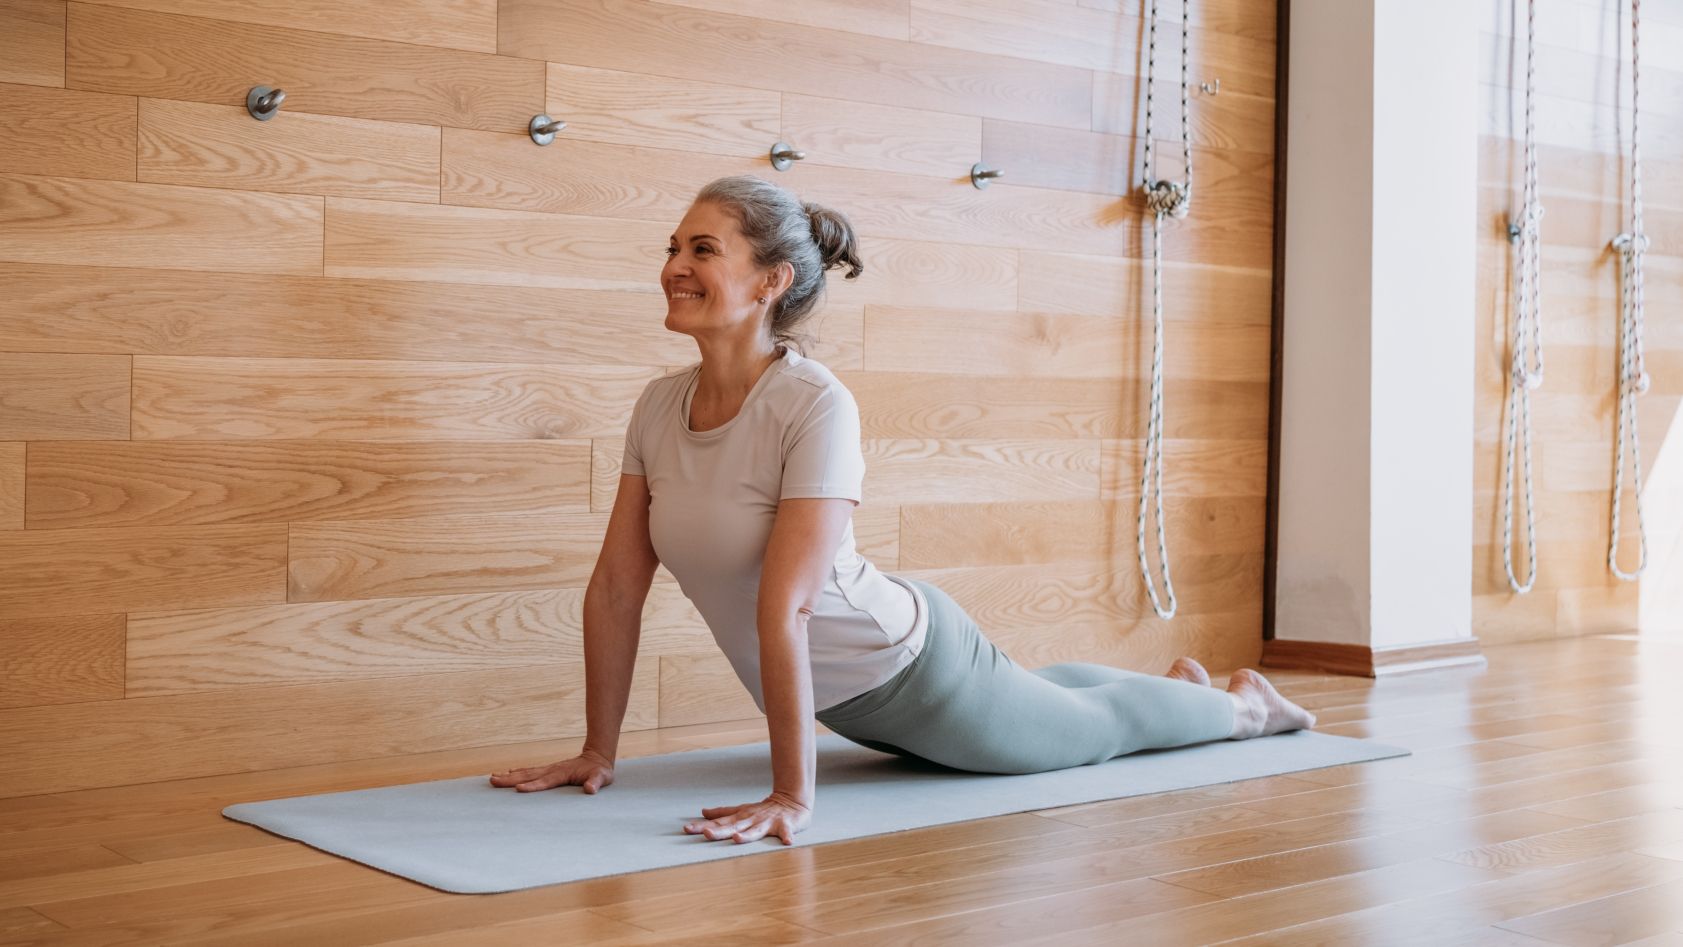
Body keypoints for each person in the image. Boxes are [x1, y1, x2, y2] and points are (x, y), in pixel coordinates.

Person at [489, 175, 1316, 846]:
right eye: (672, 247)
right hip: (854, 684)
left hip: (914, 675)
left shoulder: (814, 403)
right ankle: (1177, 691)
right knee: (1045, 698)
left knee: (1088, 730)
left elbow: (791, 604)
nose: (674, 264)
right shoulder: (658, 406)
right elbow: (614, 590)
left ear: (770, 281)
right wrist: (598, 750)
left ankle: (1244, 708)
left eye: (703, 249)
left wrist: (790, 794)